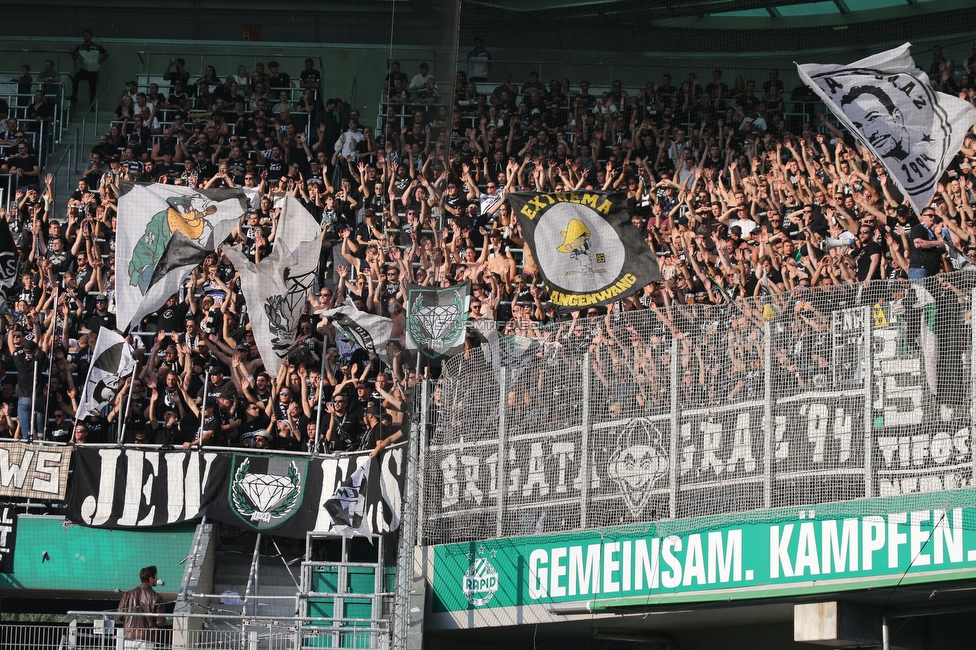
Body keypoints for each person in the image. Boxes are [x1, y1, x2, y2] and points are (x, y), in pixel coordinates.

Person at [116, 565, 166, 649]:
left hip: (129, 635)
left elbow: (119, 616)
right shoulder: (157, 597)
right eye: (156, 577)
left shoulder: (128, 594)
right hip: (147, 637)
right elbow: (160, 622)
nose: (157, 579)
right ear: (151, 579)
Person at [69, 29, 109, 104]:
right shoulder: (80, 46)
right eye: (84, 35)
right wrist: (78, 57)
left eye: (87, 35)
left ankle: (92, 106)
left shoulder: (97, 46)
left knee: (92, 89)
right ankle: (74, 96)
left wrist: (100, 61)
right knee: (75, 80)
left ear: (91, 37)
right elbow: (74, 55)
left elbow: (106, 54)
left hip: (94, 70)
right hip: (84, 69)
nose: (86, 37)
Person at [908, 207, 945, 280]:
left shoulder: (932, 233)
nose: (933, 218)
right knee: (921, 291)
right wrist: (938, 243)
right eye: (930, 215)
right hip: (920, 269)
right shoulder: (918, 228)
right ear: (923, 217)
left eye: (935, 216)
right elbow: (918, 243)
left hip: (932, 270)